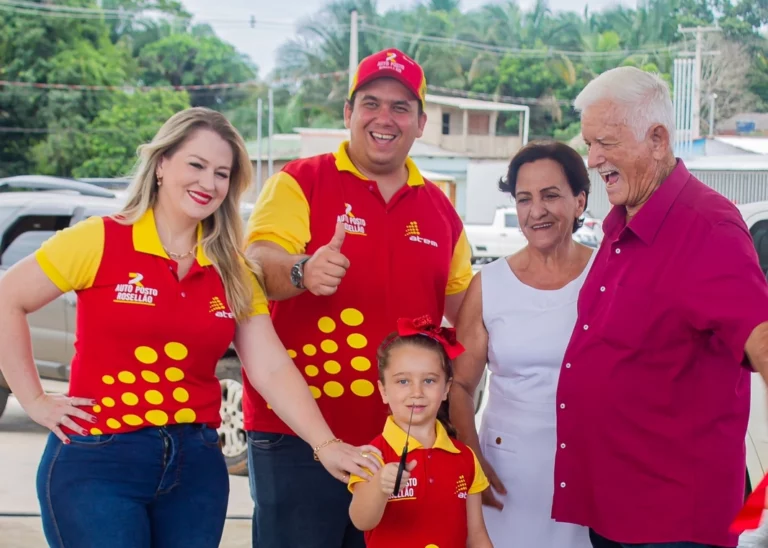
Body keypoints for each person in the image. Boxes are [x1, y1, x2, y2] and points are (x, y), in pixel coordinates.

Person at [0, 107, 379, 548]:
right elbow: (9, 298)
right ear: (162, 164)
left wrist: (326, 443)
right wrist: (34, 400)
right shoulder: (99, 239)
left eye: (222, 173)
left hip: (195, 468)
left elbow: (271, 366)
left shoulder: (234, 269)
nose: (208, 183)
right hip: (98, 462)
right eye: (195, 165)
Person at [243, 48, 473, 548]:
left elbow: (466, 318)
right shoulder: (299, 181)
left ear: (420, 123)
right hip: (298, 436)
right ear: (348, 114)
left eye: (400, 107)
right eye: (371, 103)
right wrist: (302, 270)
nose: (384, 118)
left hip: (402, 440)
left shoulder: (441, 212)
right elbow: (257, 262)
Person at [551, 66, 768, 548]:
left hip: (674, 522)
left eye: (606, 142)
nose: (594, 158)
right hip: (614, 508)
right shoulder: (621, 221)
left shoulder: (708, 227)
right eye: (589, 144)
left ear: (657, 139)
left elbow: (761, 337)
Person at [449, 140, 594, 548]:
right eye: (524, 198)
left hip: (592, 472)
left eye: (551, 195)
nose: (537, 211)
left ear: (580, 201)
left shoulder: (609, 275)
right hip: (505, 476)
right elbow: (460, 385)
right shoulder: (489, 285)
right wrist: (471, 460)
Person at [348, 315, 492, 548]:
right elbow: (361, 520)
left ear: (446, 389)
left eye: (429, 381)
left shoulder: (465, 458)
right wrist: (380, 485)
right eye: (403, 381)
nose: (417, 392)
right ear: (383, 390)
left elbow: (476, 536)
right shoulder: (372, 455)